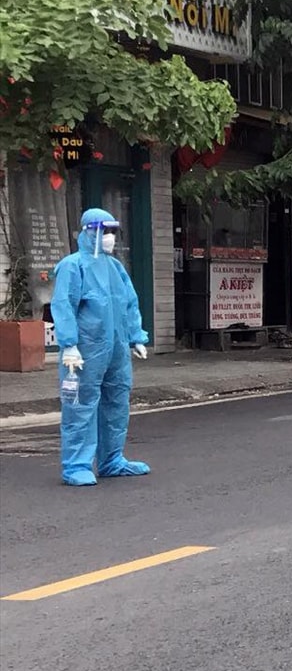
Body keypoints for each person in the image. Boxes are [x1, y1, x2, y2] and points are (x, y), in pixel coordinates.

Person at [50, 208, 151, 487]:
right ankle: (76, 465)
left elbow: (129, 303)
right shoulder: (73, 266)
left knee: (117, 402)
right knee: (80, 405)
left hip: (116, 349)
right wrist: (69, 344)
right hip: (85, 350)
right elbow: (64, 306)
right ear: (87, 232)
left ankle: (111, 459)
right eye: (103, 231)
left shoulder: (115, 267)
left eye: (112, 232)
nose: (108, 237)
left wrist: (136, 337)